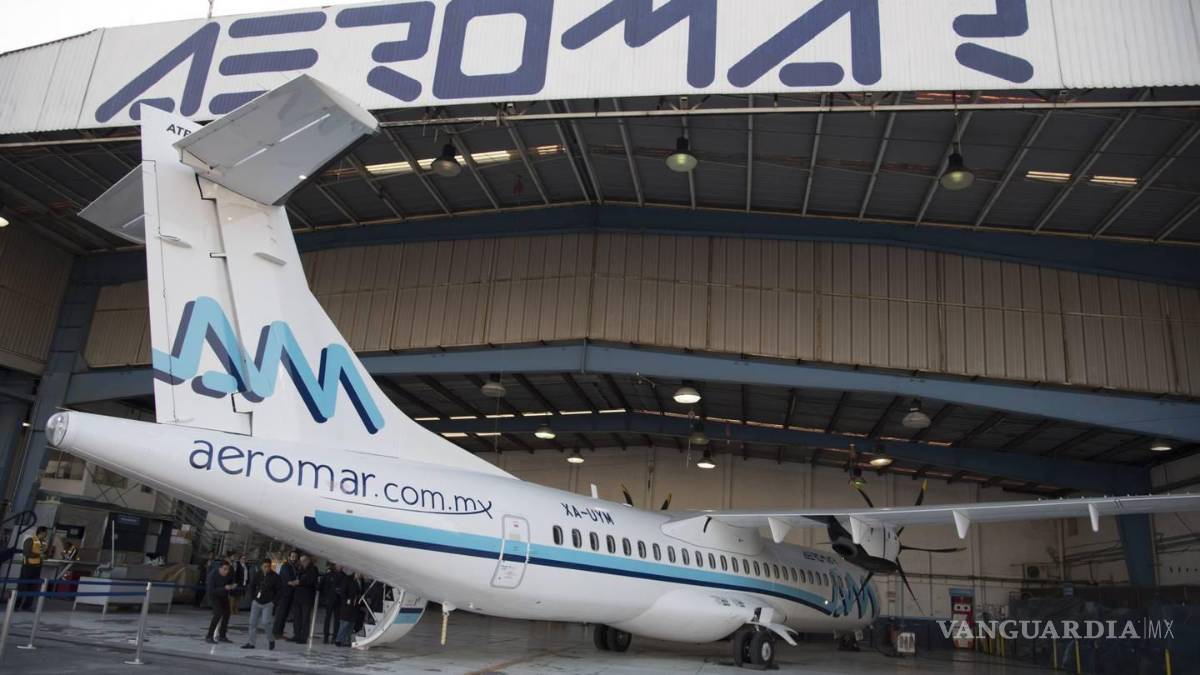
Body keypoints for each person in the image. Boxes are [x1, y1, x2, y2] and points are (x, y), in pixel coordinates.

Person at [242, 559, 280, 650]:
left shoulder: (275, 577)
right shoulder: (257, 574)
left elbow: (279, 591)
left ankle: (271, 639)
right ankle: (251, 643)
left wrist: (274, 602)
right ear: (261, 566)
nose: (267, 568)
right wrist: (253, 598)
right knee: (252, 623)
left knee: (266, 622)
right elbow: (251, 586)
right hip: (256, 602)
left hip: (268, 603)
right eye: (265, 566)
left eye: (268, 566)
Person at [205, 560, 235, 644]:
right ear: (220, 568)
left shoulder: (229, 574)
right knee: (217, 614)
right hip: (214, 596)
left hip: (224, 595)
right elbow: (211, 591)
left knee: (227, 614)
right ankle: (209, 636)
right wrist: (224, 588)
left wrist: (232, 585)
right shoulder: (212, 575)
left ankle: (222, 635)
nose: (226, 571)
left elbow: (231, 580)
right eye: (225, 569)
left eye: (228, 569)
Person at [289, 555, 318, 643]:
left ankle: (303, 637)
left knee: (305, 618)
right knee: (297, 617)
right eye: (301, 561)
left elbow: (312, 581)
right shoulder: (300, 569)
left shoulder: (313, 569)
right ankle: (296, 635)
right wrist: (294, 582)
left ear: (308, 561)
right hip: (298, 596)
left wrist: (300, 582)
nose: (302, 562)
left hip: (307, 597)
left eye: (304, 560)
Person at [18, 526, 48, 611]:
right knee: (22, 586)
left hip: (37, 568)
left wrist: (45, 556)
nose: (46, 534)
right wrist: (38, 555)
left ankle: (27, 606)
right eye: (46, 533)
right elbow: (26, 553)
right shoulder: (30, 540)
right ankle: (16, 605)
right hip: (28, 567)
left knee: (33, 587)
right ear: (41, 532)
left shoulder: (44, 543)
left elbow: (45, 554)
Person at [272, 551, 299, 639]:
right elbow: (287, 580)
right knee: (281, 613)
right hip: (284, 593)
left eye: (295, 557)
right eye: (292, 556)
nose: (294, 558)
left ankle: (280, 632)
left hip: (290, 594)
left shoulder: (294, 567)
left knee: (285, 614)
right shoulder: (286, 566)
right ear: (289, 557)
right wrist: (296, 582)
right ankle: (276, 633)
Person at [334, 569, 363, 647]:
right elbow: (342, 591)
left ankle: (346, 640)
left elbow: (360, 592)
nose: (360, 574)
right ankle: (338, 640)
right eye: (359, 572)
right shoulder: (348, 579)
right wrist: (347, 600)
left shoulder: (361, 581)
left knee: (351, 624)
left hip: (355, 606)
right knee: (344, 623)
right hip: (347, 605)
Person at [319, 562, 345, 643]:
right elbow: (322, 586)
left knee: (337, 619)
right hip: (329, 599)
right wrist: (325, 597)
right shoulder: (329, 574)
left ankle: (335, 636)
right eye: (339, 565)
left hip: (338, 601)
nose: (340, 566)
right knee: (328, 618)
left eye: (341, 565)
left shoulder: (344, 576)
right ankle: (326, 636)